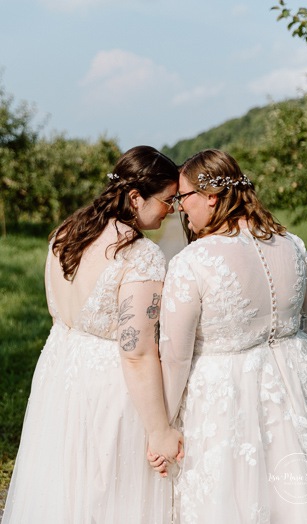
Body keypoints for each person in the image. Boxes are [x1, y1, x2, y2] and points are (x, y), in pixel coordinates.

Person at [154, 149, 307, 523]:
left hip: (222, 398)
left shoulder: (193, 261)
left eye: (184, 197)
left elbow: (175, 355)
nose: (180, 208)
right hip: (291, 384)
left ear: (211, 196)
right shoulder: (290, 242)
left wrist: (164, 420)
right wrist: (294, 357)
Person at [3, 145, 184, 523]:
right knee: (110, 494)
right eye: (168, 200)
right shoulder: (140, 255)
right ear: (136, 197)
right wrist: (159, 430)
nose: (173, 210)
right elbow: (136, 351)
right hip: (109, 386)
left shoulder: (64, 233)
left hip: (59, 373)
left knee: (64, 486)